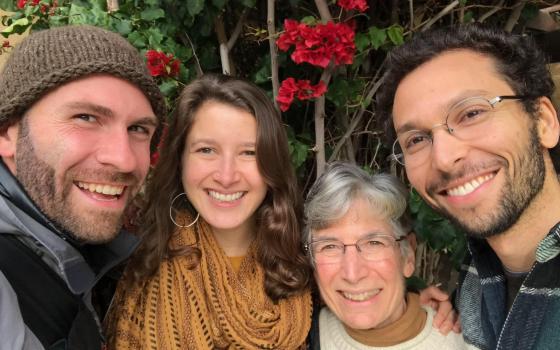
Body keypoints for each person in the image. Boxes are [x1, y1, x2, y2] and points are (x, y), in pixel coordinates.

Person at [377, 24, 560, 350]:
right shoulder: (475, 278)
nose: (445, 158)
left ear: (543, 121)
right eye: (416, 140)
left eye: (472, 113)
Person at [104, 74, 313, 349]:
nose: (226, 176)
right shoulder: (129, 259)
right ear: (180, 160)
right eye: (206, 150)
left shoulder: (313, 261)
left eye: (249, 153)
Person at [0, 25, 166, 350]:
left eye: (137, 128)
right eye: (86, 118)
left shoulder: (64, 243)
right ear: (8, 135)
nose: (124, 160)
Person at [303, 162, 473, 349]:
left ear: (408, 255)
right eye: (330, 247)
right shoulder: (298, 335)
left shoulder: (465, 343)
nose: (352, 274)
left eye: (374, 243)